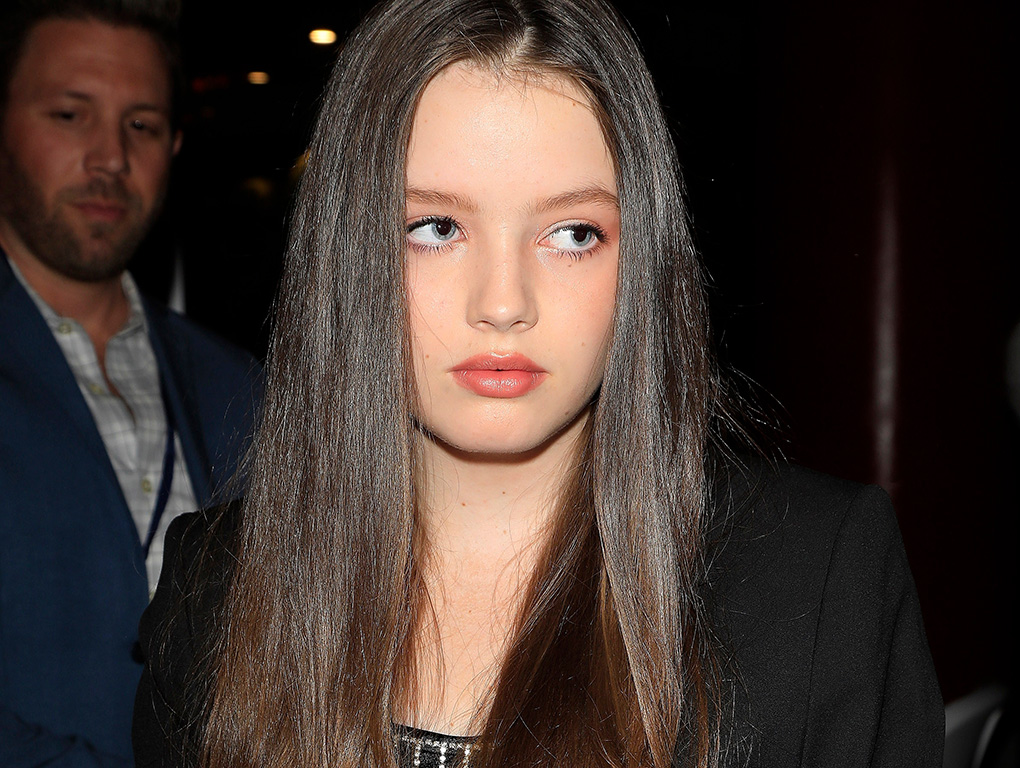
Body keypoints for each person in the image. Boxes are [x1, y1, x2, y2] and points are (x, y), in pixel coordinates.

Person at [132, 0, 943, 766]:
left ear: (646, 259)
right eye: (436, 228)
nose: (503, 303)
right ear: (349, 251)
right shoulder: (217, 591)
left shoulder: (818, 584)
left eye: (572, 234)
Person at [0, 3, 259, 766]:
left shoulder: (242, 384)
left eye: (141, 125)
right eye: (70, 115)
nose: (109, 156)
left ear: (175, 145)